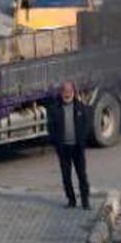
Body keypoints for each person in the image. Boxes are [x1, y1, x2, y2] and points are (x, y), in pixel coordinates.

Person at [46, 81, 93, 210]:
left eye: (69, 91)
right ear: (61, 92)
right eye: (64, 91)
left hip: (77, 148)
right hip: (63, 148)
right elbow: (51, 128)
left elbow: (86, 125)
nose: (66, 94)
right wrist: (56, 143)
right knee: (66, 176)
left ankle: (85, 201)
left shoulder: (80, 108)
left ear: (73, 91)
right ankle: (71, 200)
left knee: (82, 175)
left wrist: (82, 142)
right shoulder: (55, 109)